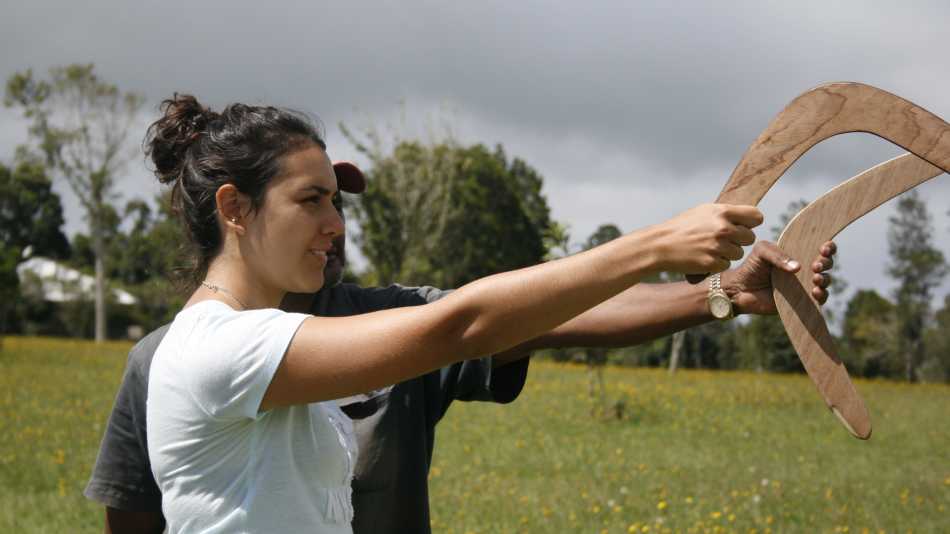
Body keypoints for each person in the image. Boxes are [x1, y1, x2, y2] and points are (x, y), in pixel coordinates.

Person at [85, 94, 837, 533]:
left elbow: (523, 317)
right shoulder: (213, 349)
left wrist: (719, 296)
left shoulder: (301, 336)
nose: (337, 225)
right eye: (311, 201)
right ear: (234, 209)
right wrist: (653, 244)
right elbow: (462, 325)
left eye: (336, 202)